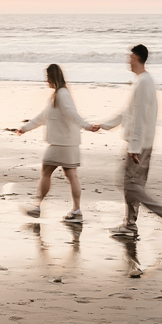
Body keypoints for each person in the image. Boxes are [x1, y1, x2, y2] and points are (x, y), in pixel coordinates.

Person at [101, 44, 162, 238]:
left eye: (129, 57)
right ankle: (130, 224)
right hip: (142, 142)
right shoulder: (143, 81)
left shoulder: (143, 83)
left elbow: (140, 116)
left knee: (130, 184)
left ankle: (161, 211)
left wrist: (134, 147)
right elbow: (128, 112)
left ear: (137, 57)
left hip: (139, 144)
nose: (127, 60)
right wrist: (104, 125)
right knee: (133, 184)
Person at [16, 64, 100, 222]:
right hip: (70, 143)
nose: (46, 80)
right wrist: (25, 128)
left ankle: (37, 206)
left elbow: (72, 114)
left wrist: (87, 126)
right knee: (71, 175)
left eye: (47, 77)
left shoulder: (61, 94)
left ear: (52, 77)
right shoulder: (59, 94)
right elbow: (44, 116)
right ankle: (76, 211)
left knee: (46, 172)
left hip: (61, 143)